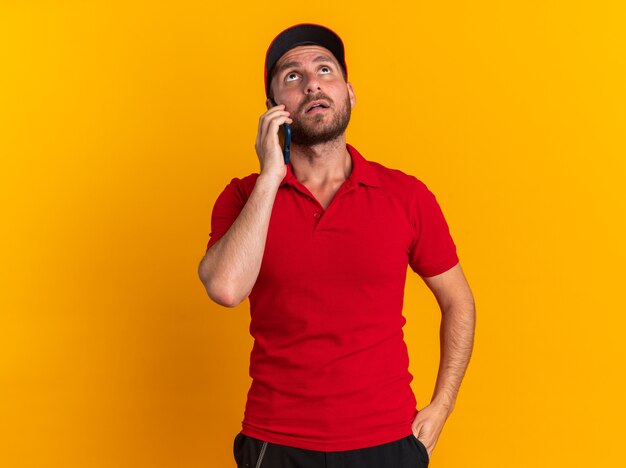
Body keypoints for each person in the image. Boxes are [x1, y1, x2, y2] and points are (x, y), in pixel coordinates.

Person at [198, 23, 476, 468]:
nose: (311, 83)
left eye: (324, 70)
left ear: (348, 93)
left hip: (387, 441)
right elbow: (226, 289)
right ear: (273, 110)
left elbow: (459, 301)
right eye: (292, 76)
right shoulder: (243, 197)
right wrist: (272, 175)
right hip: (277, 440)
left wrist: (442, 407)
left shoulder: (406, 196)